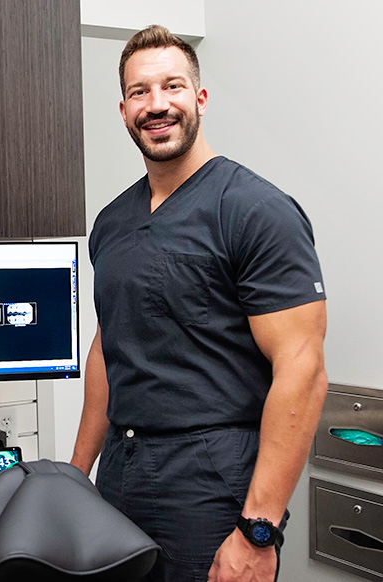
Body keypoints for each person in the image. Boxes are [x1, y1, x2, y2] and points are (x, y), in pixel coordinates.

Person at [70, 25, 328, 582]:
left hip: (212, 480)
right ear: (123, 110)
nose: (157, 105)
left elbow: (303, 371)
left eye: (173, 87)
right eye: (140, 92)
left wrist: (259, 530)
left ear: (200, 99)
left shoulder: (255, 211)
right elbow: (109, 345)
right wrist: (75, 476)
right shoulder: (111, 223)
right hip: (122, 471)